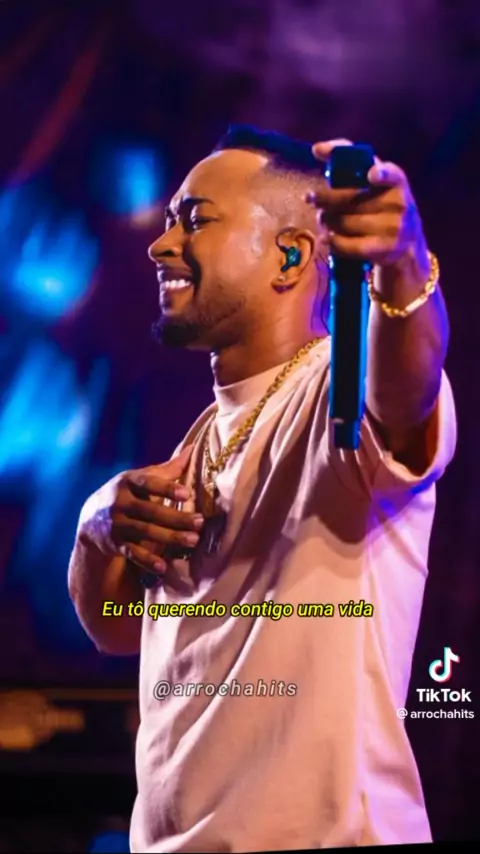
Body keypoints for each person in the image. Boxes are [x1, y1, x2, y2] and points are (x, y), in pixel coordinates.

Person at [68, 125, 457, 852]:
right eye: (168, 221)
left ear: (290, 255)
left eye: (195, 220)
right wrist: (96, 526)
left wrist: (403, 267)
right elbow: (116, 627)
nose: (161, 245)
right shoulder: (197, 443)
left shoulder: (338, 392)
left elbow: (407, 396)